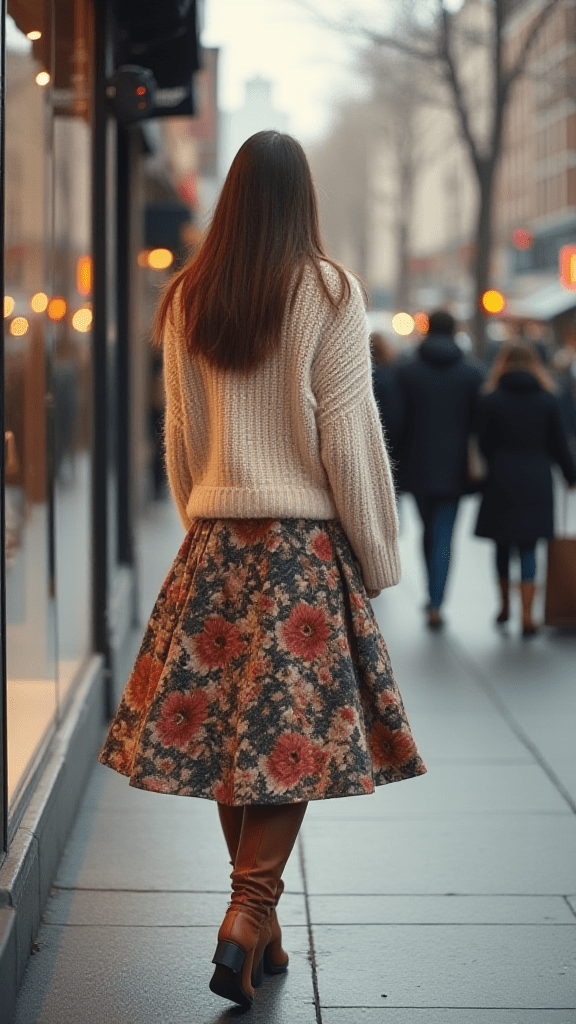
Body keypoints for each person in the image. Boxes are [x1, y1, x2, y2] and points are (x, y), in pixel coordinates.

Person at [98, 131, 426, 1011]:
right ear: (301, 199)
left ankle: (261, 932)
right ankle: (246, 914)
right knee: (287, 744)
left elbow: (180, 437)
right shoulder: (328, 290)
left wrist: (204, 512)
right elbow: (348, 438)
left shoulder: (189, 295)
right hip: (302, 556)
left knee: (230, 738)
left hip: (215, 544)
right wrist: (380, 555)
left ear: (232, 199)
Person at [475, 342, 576, 636]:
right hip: (536, 480)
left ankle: (505, 606)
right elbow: (559, 444)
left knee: (502, 547)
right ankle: (528, 615)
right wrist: (571, 475)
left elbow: (483, 443)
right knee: (530, 546)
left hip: (500, 478)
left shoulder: (491, 399)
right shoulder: (548, 399)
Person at [394, 310, 483, 628]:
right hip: (456, 466)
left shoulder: (407, 371)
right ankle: (436, 600)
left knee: (428, 531)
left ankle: (431, 595)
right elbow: (479, 423)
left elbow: (397, 422)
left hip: (417, 464)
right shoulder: (472, 372)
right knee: (445, 533)